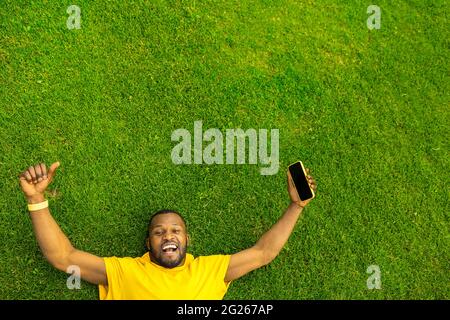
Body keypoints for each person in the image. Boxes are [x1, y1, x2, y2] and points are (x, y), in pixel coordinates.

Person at [18, 161, 317, 300]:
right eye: (159, 233)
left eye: (175, 230)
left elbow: (264, 253)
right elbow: (62, 256)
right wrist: (36, 199)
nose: (168, 235)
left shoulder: (210, 270)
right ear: (148, 243)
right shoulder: (125, 272)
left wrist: (296, 206)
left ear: (187, 240)